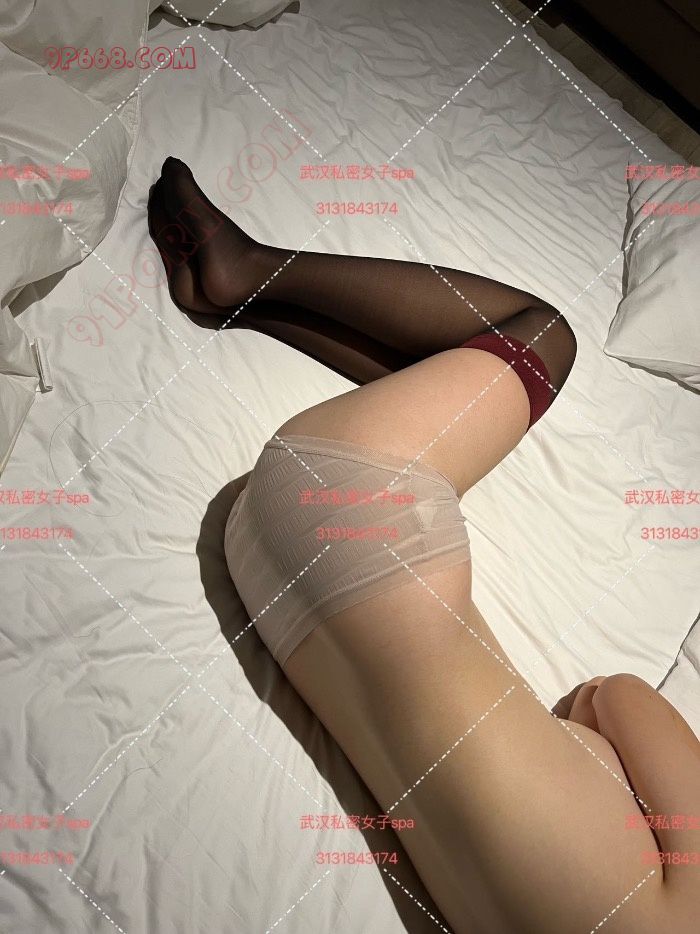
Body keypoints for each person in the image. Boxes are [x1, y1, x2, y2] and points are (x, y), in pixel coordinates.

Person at [149, 157, 699, 933]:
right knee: (476, 372)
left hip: (352, 512)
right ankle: (236, 296)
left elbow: (616, 697)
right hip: (273, 589)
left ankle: (247, 270)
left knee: (542, 338)